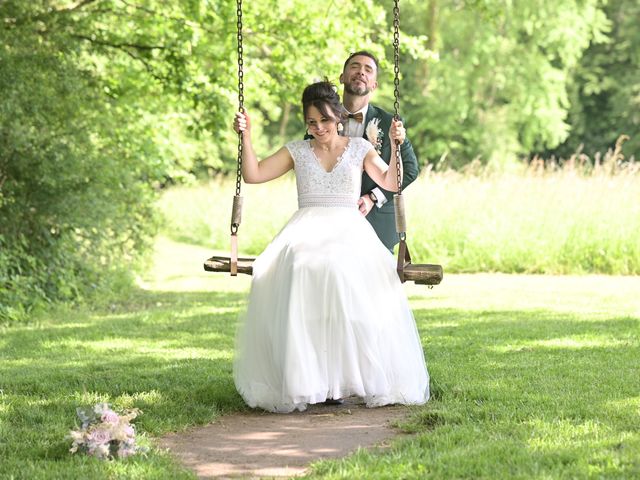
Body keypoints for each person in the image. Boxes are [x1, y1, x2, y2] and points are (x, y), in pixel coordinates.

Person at [232, 80, 429, 413]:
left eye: (324, 120)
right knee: (298, 264)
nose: (319, 128)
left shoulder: (358, 148)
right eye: (312, 122)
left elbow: (393, 182)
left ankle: (347, 376)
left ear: (337, 116)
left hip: (347, 228)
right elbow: (253, 174)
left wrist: (396, 146)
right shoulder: (296, 150)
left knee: (341, 270)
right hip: (304, 228)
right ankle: (305, 380)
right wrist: (246, 136)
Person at [340, 51, 420, 251]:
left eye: (368, 70)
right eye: (355, 67)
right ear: (342, 77)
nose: (361, 72)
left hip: (376, 223)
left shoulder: (388, 122)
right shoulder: (323, 120)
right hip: (333, 225)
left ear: (374, 85)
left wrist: (373, 197)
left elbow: (409, 170)